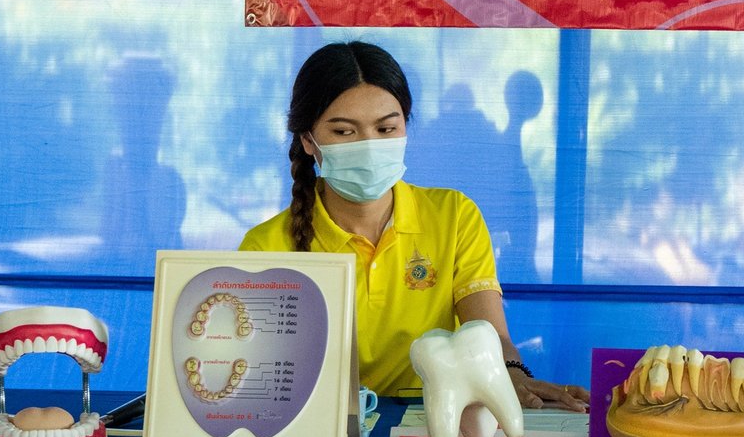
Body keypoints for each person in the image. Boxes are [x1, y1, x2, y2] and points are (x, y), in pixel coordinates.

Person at [240, 41, 589, 409]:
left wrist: (511, 373)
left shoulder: (454, 216)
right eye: (344, 132)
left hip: (431, 423)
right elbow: (257, 375)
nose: (370, 145)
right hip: (318, 429)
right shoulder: (265, 247)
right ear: (308, 141)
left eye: (386, 128)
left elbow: (489, 335)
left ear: (404, 127)